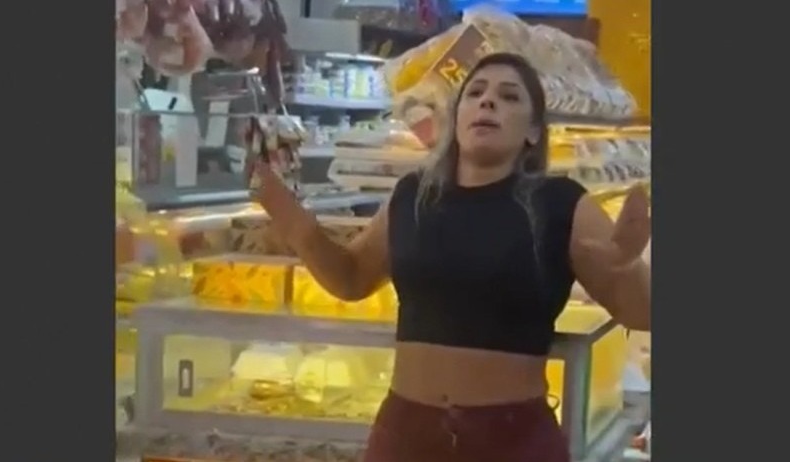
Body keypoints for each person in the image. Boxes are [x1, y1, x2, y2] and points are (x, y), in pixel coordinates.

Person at [254, 52, 650, 462]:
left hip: (512, 440)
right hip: (406, 434)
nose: (487, 101)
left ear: (533, 131)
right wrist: (282, 209)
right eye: (474, 93)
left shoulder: (561, 203)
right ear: (457, 118)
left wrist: (625, 263)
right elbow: (351, 277)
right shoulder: (413, 195)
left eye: (509, 96)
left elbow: (643, 313)